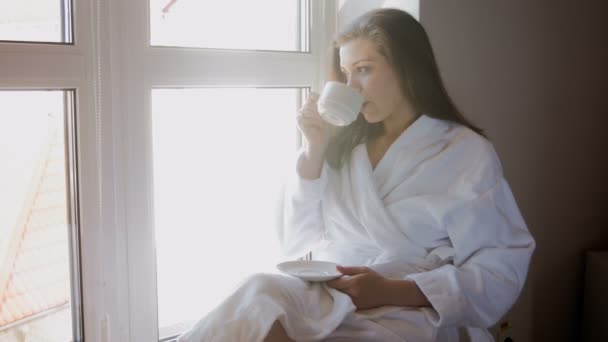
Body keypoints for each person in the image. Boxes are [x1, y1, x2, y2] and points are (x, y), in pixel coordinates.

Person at [178, 8, 535, 342]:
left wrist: (393, 290)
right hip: (330, 291)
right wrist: (314, 149)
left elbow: (500, 270)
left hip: (412, 304)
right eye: (346, 73)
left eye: (363, 69)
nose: (352, 87)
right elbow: (294, 240)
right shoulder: (345, 146)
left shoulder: (463, 151)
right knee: (256, 295)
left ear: (408, 68)